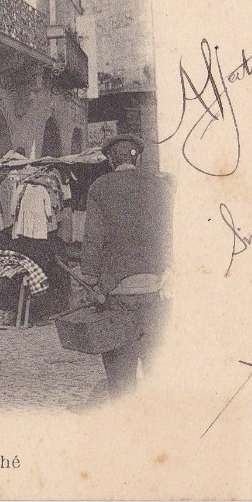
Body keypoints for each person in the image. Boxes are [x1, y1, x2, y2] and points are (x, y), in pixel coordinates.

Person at [81, 134, 173, 398]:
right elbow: (170, 232)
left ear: (110, 160)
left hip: (118, 292)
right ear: (139, 158)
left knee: (121, 368)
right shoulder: (160, 186)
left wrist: (90, 278)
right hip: (157, 289)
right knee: (156, 362)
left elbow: (93, 238)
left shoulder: (99, 188)